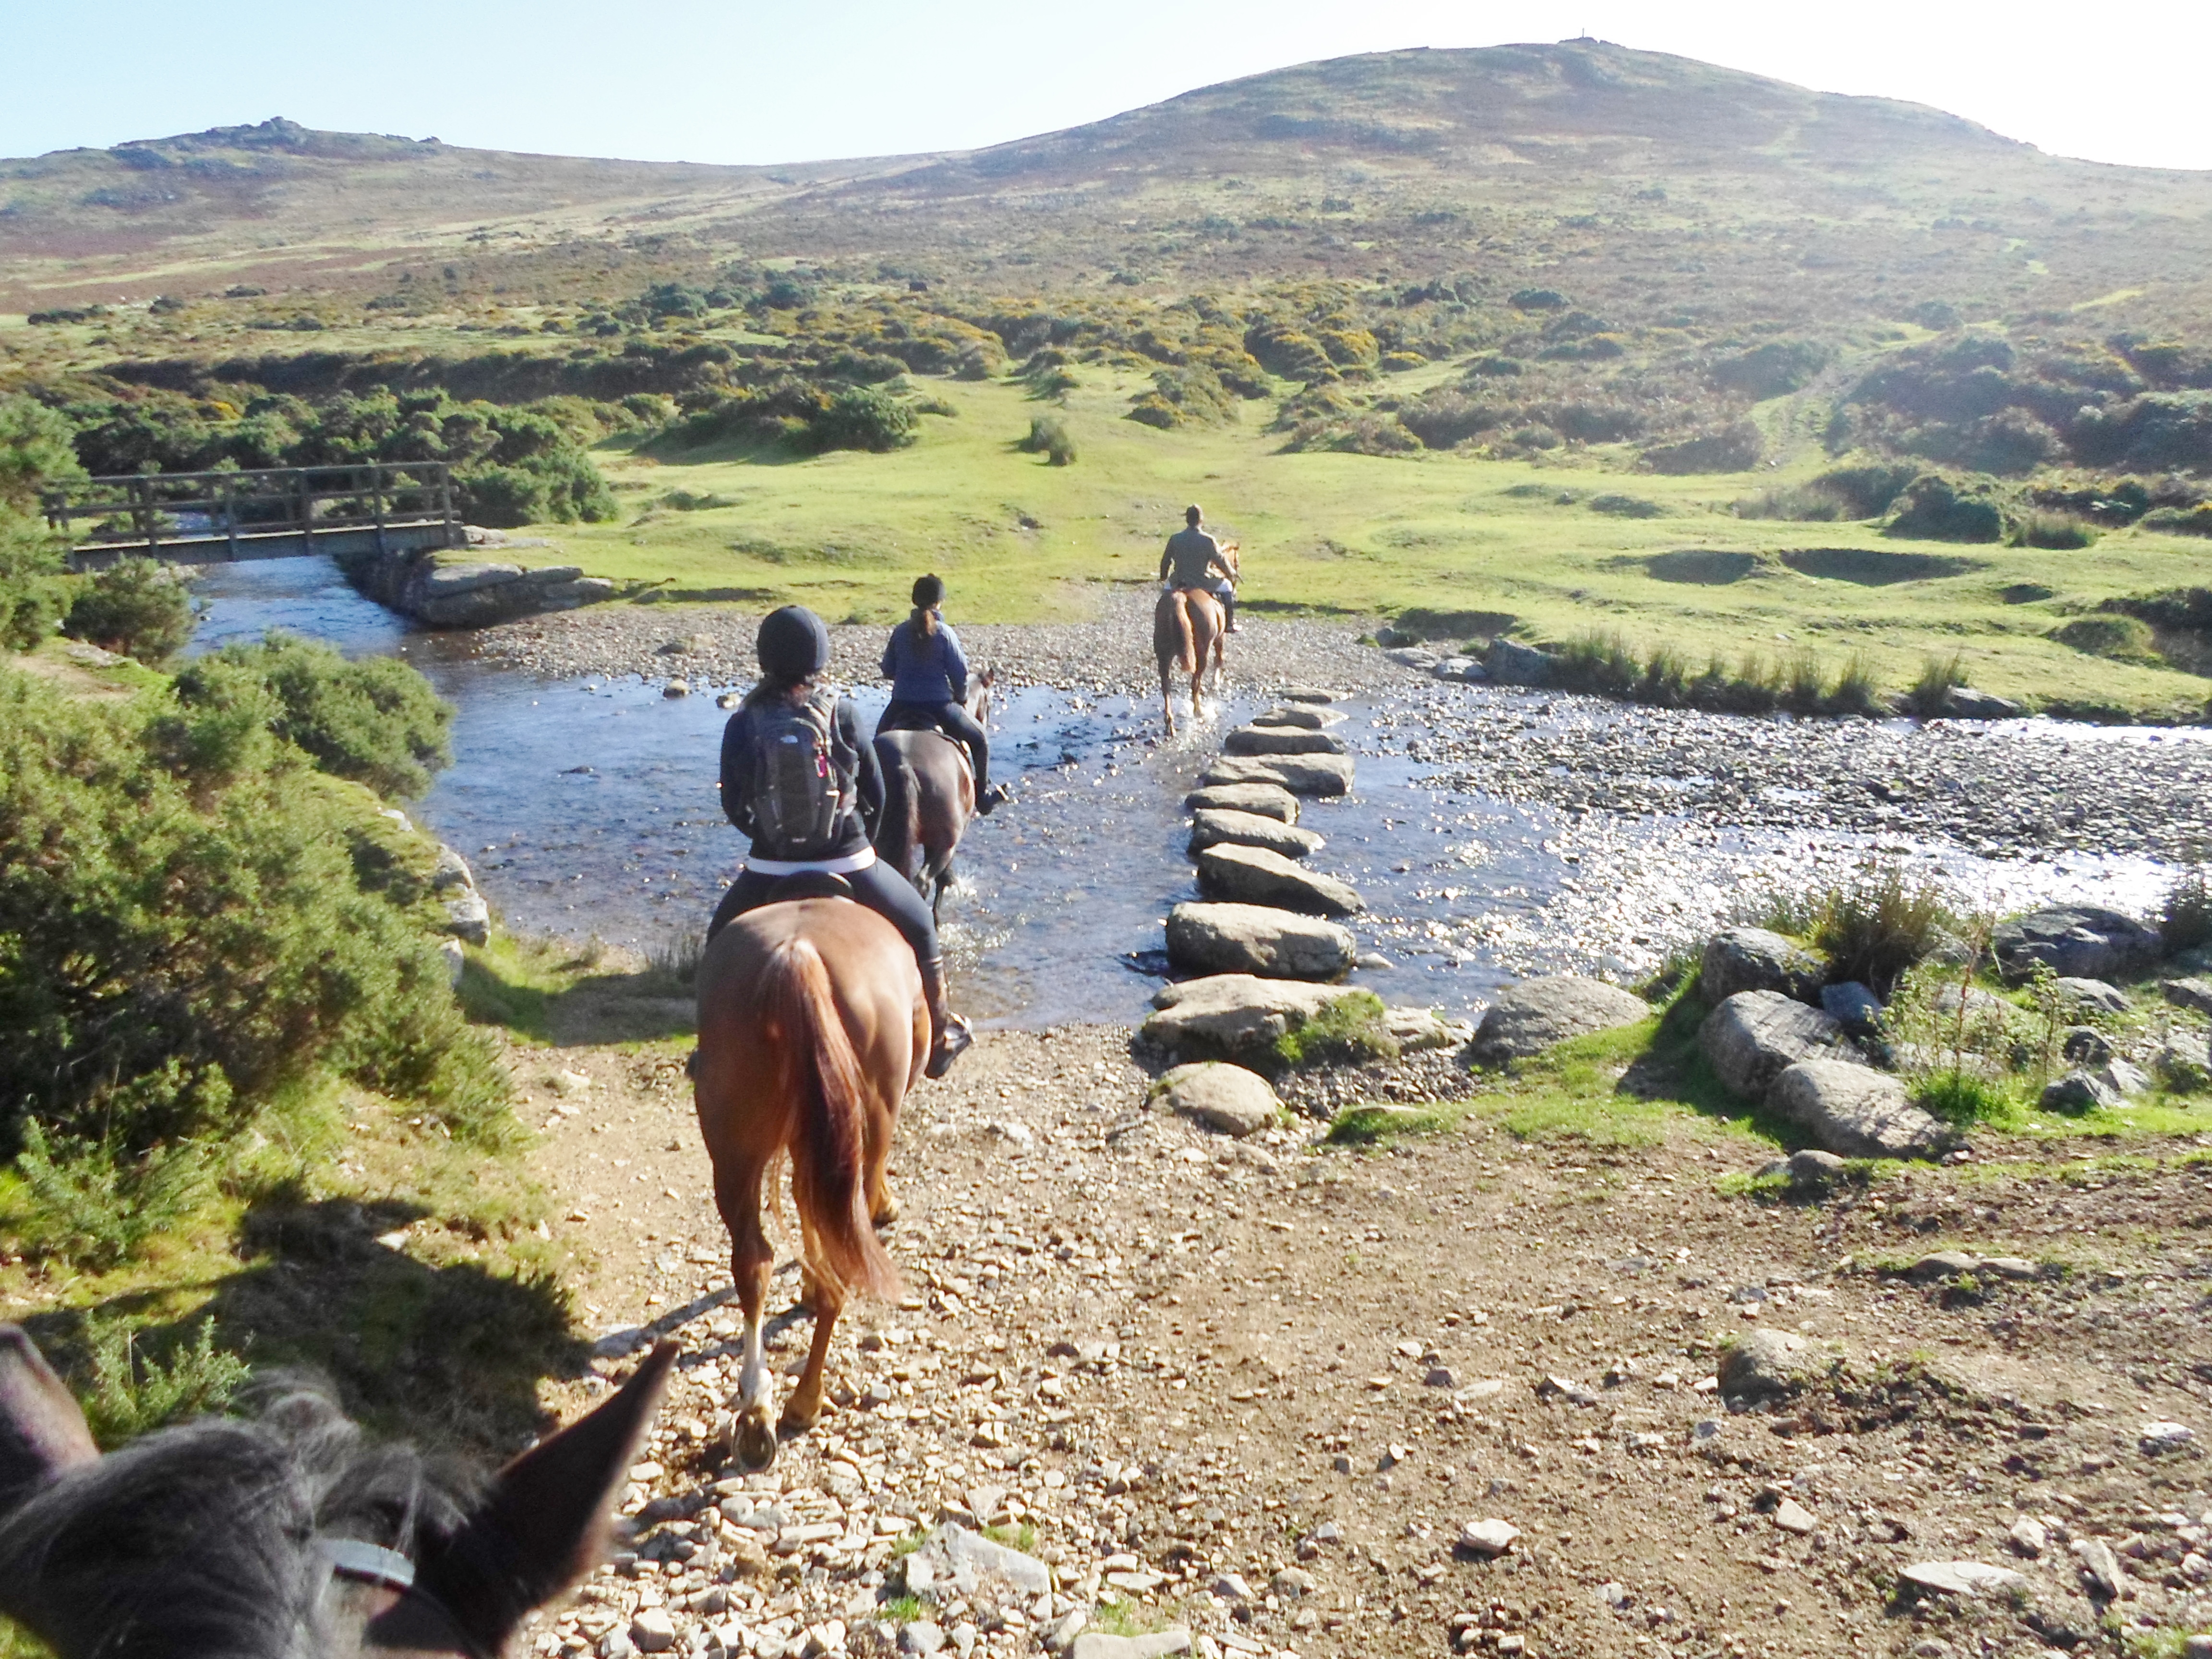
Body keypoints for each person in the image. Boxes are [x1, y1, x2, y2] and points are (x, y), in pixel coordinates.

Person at [708, 604, 972, 1077]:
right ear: (820, 658)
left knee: (716, 945)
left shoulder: (741, 723)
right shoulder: (843, 714)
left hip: (769, 868)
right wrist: (857, 841)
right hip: (850, 863)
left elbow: (733, 804)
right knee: (920, 925)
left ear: (764, 658)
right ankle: (940, 1037)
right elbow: (877, 793)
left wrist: (766, 838)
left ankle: (710, 1050)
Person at [878, 573, 1004, 814]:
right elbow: (960, 675)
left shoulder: (900, 632)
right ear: (939, 603)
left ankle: (865, 800)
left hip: (901, 705)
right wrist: (960, 697)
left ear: (915, 601)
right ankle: (983, 798)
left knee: (874, 747)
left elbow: (888, 669)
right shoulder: (945, 634)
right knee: (980, 742)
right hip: (939, 707)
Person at [1159, 504, 1238, 633]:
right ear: (1201, 520)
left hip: (1179, 581)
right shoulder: (1209, 540)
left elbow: (1165, 561)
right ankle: (1229, 623)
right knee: (1228, 587)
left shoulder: (1175, 539)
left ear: (1187, 520)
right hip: (1203, 582)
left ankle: (1162, 625)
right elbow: (1221, 561)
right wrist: (1231, 573)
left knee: (1165, 596)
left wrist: (1163, 578)